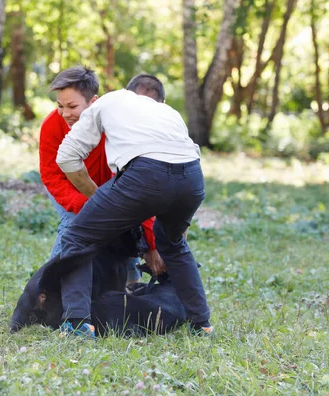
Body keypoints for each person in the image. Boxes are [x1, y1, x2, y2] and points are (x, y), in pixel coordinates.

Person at [46, 73, 213, 339]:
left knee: (77, 237)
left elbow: (67, 157)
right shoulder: (167, 111)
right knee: (174, 245)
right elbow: (186, 155)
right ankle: (201, 323)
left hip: (145, 174)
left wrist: (95, 195)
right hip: (192, 177)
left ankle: (77, 323)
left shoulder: (108, 102)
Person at [39, 67, 164, 285]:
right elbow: (51, 176)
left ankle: (130, 281)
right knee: (75, 223)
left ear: (93, 102)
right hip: (68, 189)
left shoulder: (115, 125)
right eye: (60, 106)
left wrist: (151, 245)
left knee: (119, 223)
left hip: (108, 189)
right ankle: (49, 289)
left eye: (72, 106)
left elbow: (136, 188)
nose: (65, 113)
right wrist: (84, 204)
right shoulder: (52, 125)